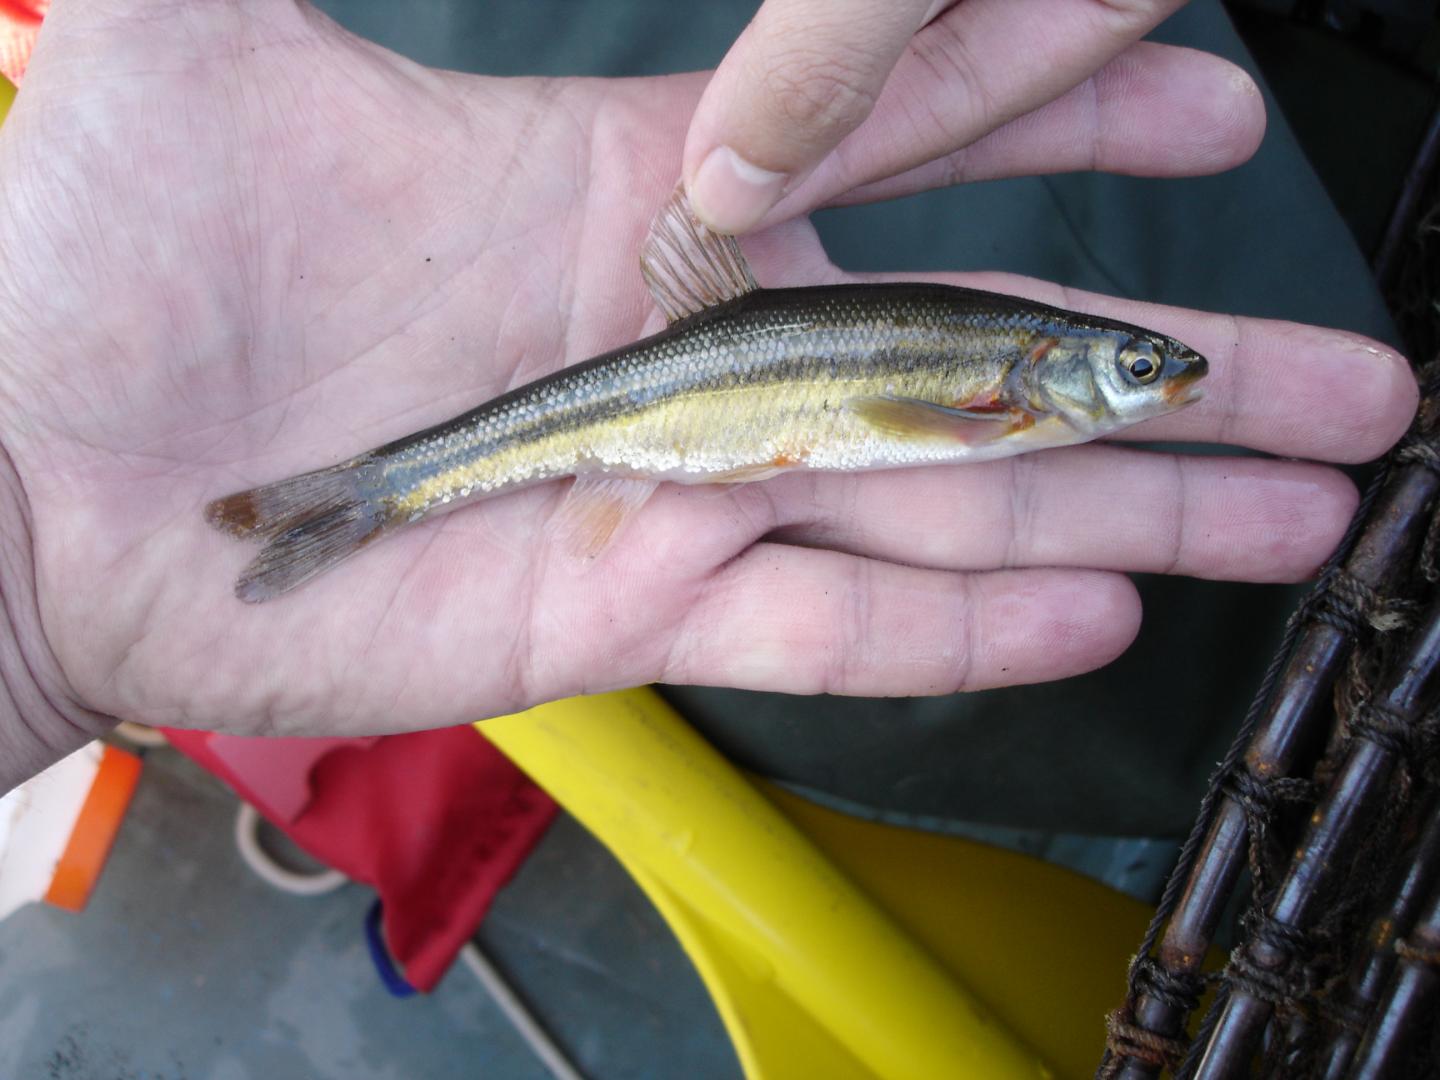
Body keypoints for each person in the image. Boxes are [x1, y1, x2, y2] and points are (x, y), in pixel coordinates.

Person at [0, 0, 1415, 800]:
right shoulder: (1006, 392)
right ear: (1038, 377)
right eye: (1129, 367)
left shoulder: (1008, 386)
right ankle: (380, 491)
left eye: (1136, 369)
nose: (1148, 379)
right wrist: (29, 594)